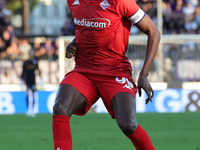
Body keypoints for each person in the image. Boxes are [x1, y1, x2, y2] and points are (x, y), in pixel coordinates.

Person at [52, 0, 160, 149]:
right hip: (84, 70)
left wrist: (144, 74)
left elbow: (153, 31)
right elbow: (87, 26)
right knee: (60, 107)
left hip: (115, 71)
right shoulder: (73, 1)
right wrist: (75, 43)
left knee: (128, 124)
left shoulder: (121, 2)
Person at [21, 50, 41, 117]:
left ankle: (32, 110)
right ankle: (28, 110)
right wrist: (21, 80)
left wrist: (41, 79)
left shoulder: (35, 62)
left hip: (33, 81)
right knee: (27, 95)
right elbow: (23, 72)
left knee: (33, 95)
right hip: (27, 81)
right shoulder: (26, 62)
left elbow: (38, 70)